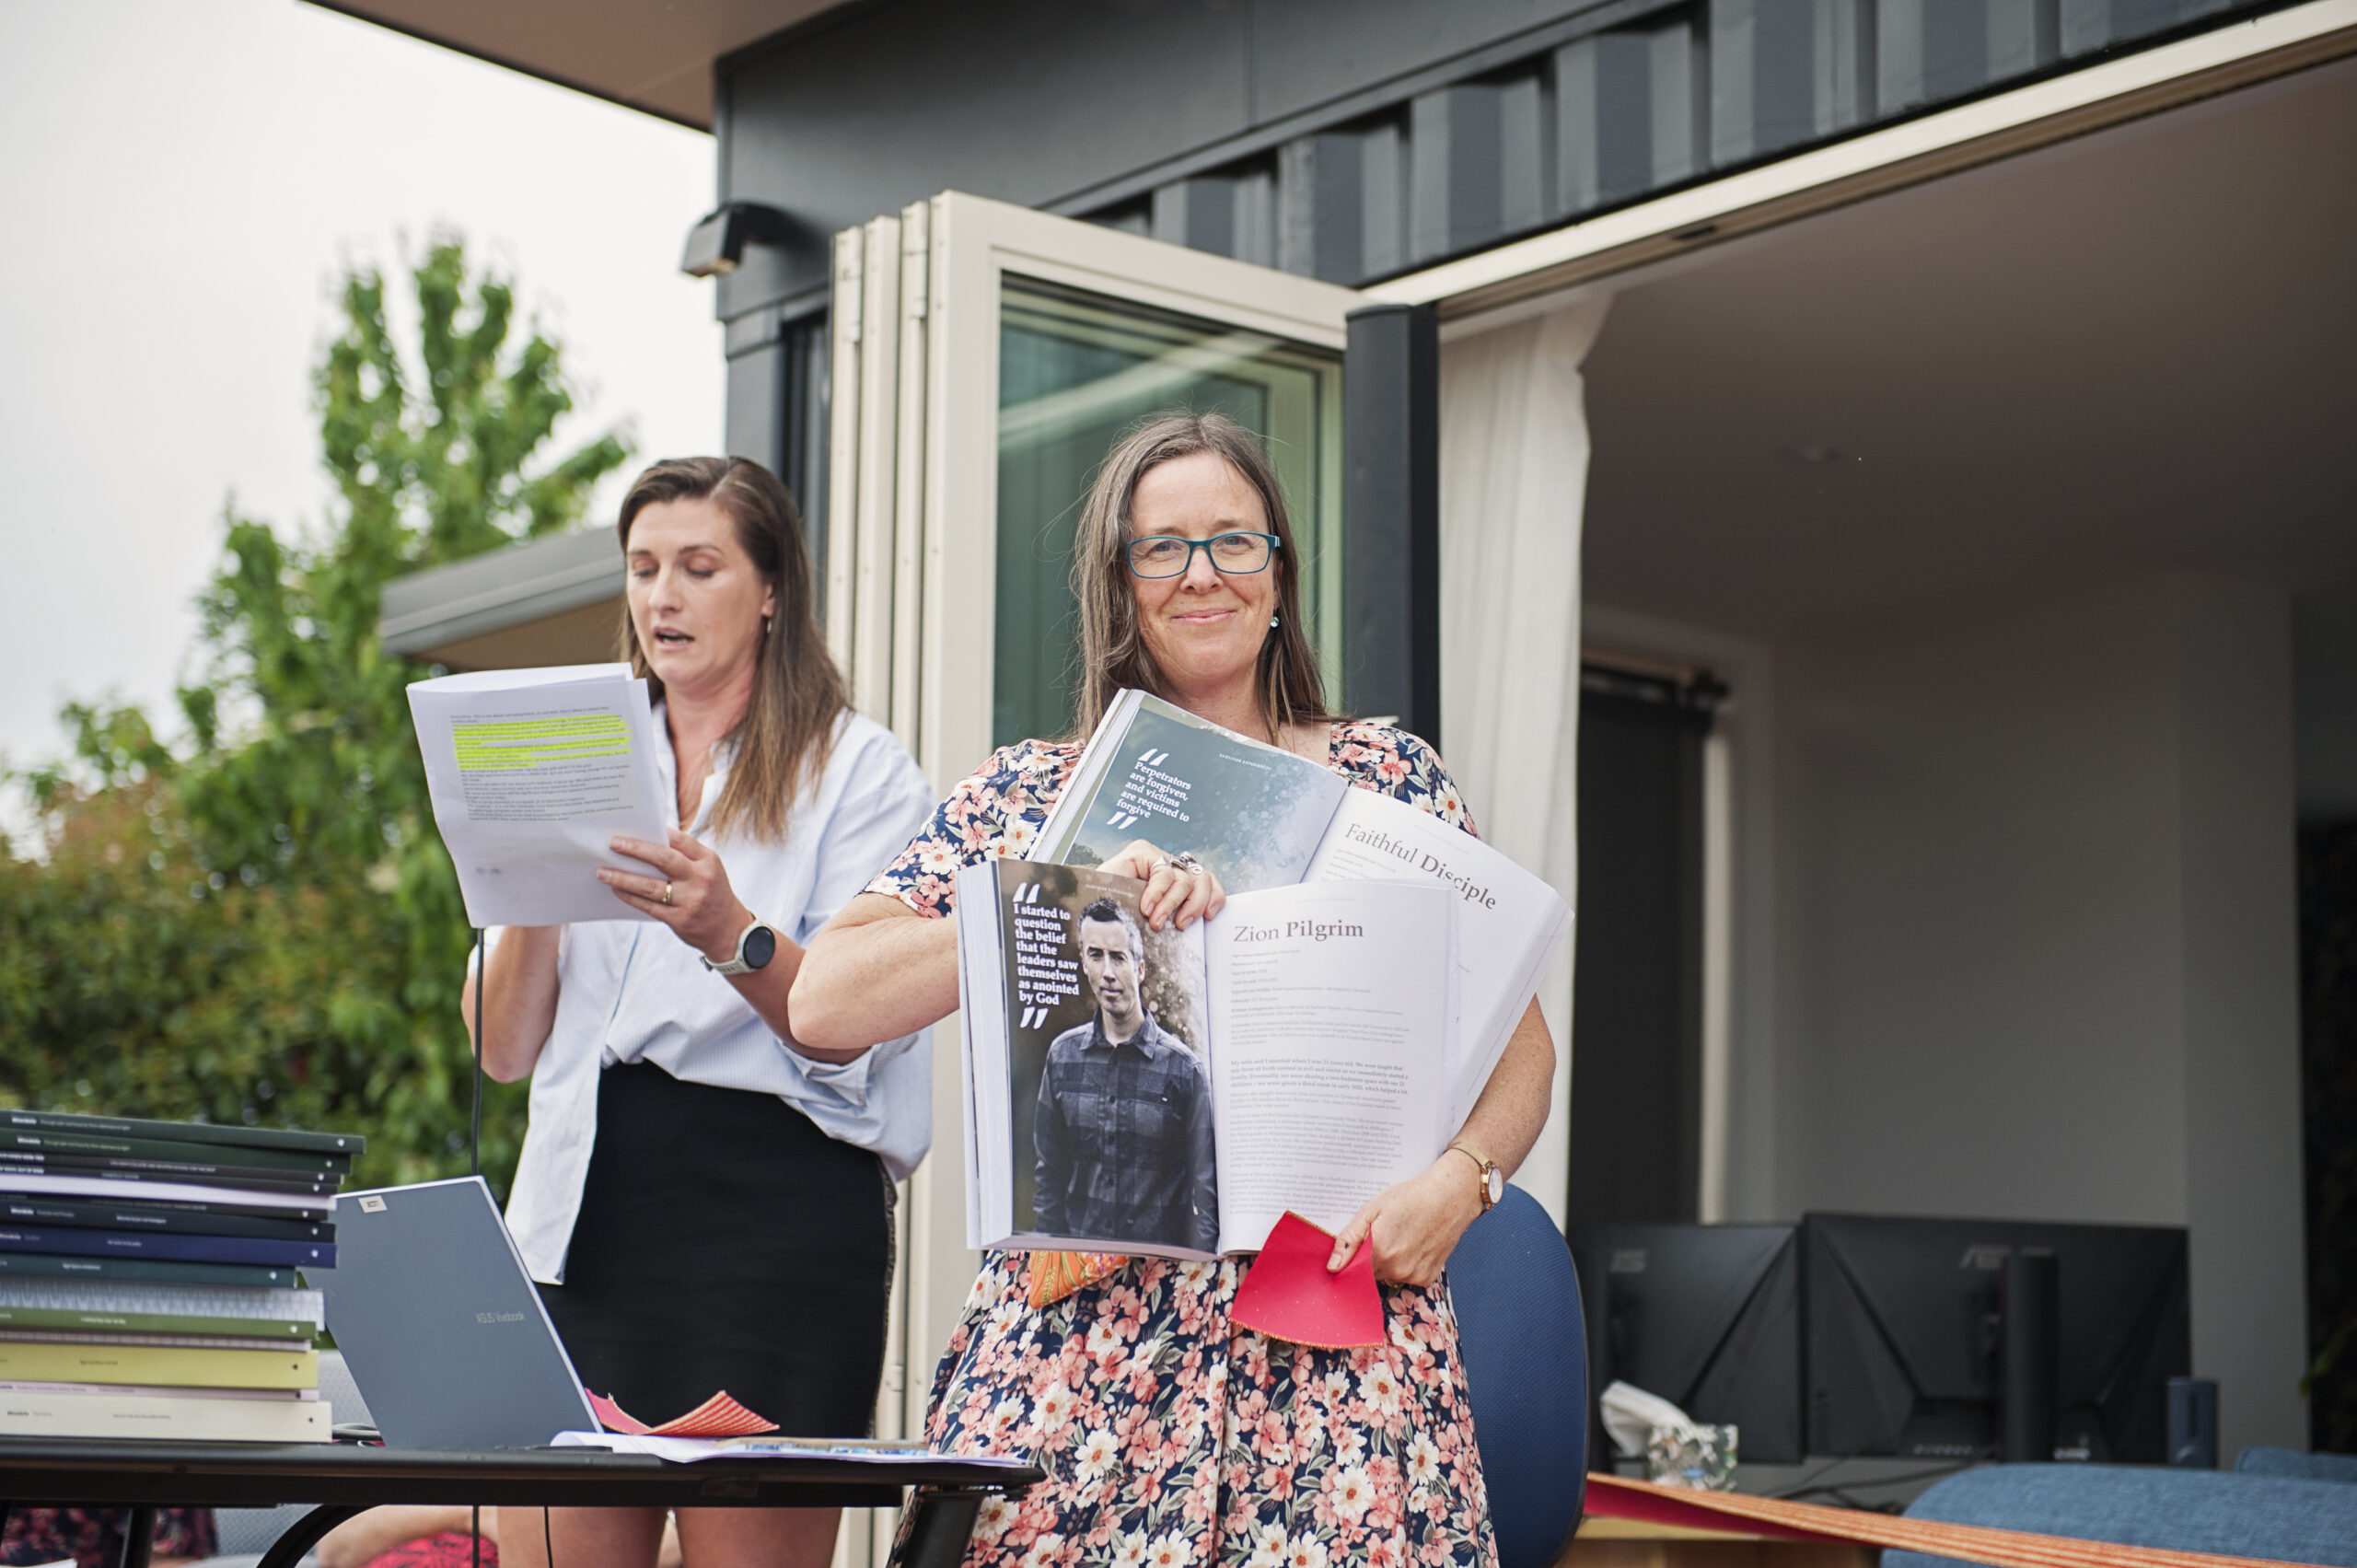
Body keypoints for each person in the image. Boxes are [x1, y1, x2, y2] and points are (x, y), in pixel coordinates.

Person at [791, 411, 1556, 1568]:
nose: (1202, 574)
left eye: (1233, 542)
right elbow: (826, 1003)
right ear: (1120, 584)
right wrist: (1059, 889)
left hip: (1338, 1357)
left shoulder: (1388, 779)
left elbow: (1520, 1048)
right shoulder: (1031, 793)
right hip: (1080, 1368)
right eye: (1163, 547)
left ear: (1279, 574)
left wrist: (1465, 1179)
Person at [461, 457, 935, 1568]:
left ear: (772, 589)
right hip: (580, 1217)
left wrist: (730, 928)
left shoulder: (858, 772)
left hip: (767, 1218)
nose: (660, 595)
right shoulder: (572, 742)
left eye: (698, 565)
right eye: (641, 567)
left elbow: (854, 1022)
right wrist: (534, 874)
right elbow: (502, 1049)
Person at [1033, 896, 1217, 1252]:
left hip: (1159, 1279)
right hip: (1078, 1272)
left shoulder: (1183, 1069)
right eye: (1096, 955)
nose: (1107, 973)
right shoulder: (1062, 1057)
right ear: (1084, 962)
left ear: (1140, 968)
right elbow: (1049, 1177)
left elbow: (1206, 1197)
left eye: (1118, 958)